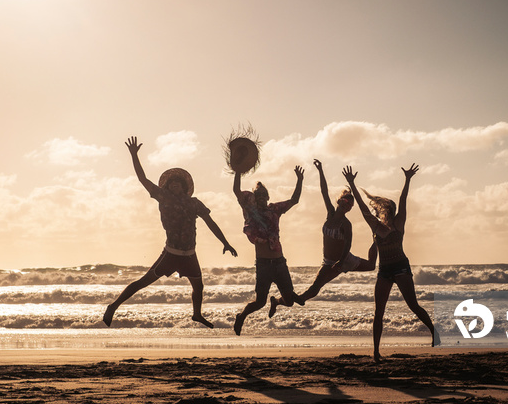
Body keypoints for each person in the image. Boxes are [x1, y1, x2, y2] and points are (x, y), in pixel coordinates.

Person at [103, 136, 237, 329]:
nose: (174, 185)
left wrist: (225, 242)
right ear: (167, 187)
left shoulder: (194, 203)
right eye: (171, 183)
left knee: (198, 286)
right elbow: (143, 179)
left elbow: (210, 222)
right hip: (171, 254)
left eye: (178, 183)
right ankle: (113, 306)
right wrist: (134, 155)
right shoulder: (163, 197)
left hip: (190, 254)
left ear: (184, 187)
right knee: (143, 282)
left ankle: (197, 314)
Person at [343, 163, 438, 361]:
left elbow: (403, 201)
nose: (380, 212)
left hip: (401, 268)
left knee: (413, 305)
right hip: (384, 271)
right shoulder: (375, 226)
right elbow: (362, 208)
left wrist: (408, 179)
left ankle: (434, 332)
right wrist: (352, 184)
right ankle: (376, 352)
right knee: (379, 311)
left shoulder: (398, 223)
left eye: (384, 210)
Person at [269, 159, 376, 318]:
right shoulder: (331, 214)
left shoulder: (346, 224)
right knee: (316, 286)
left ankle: (377, 239)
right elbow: (324, 192)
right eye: (346, 202)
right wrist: (320, 171)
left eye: (350, 206)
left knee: (371, 266)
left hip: (342, 261)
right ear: (339, 201)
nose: (347, 206)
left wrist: (341, 262)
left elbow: (348, 244)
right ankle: (279, 301)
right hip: (328, 261)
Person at [232, 165, 305, 335]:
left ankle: (277, 302)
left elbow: (294, 200)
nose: (262, 198)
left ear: (268, 197)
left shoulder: (274, 210)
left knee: (289, 301)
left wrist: (300, 180)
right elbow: (236, 190)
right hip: (264, 264)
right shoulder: (250, 211)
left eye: (264, 195)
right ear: (254, 198)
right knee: (259, 302)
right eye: (258, 195)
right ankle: (241, 317)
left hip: (279, 262)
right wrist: (237, 169)